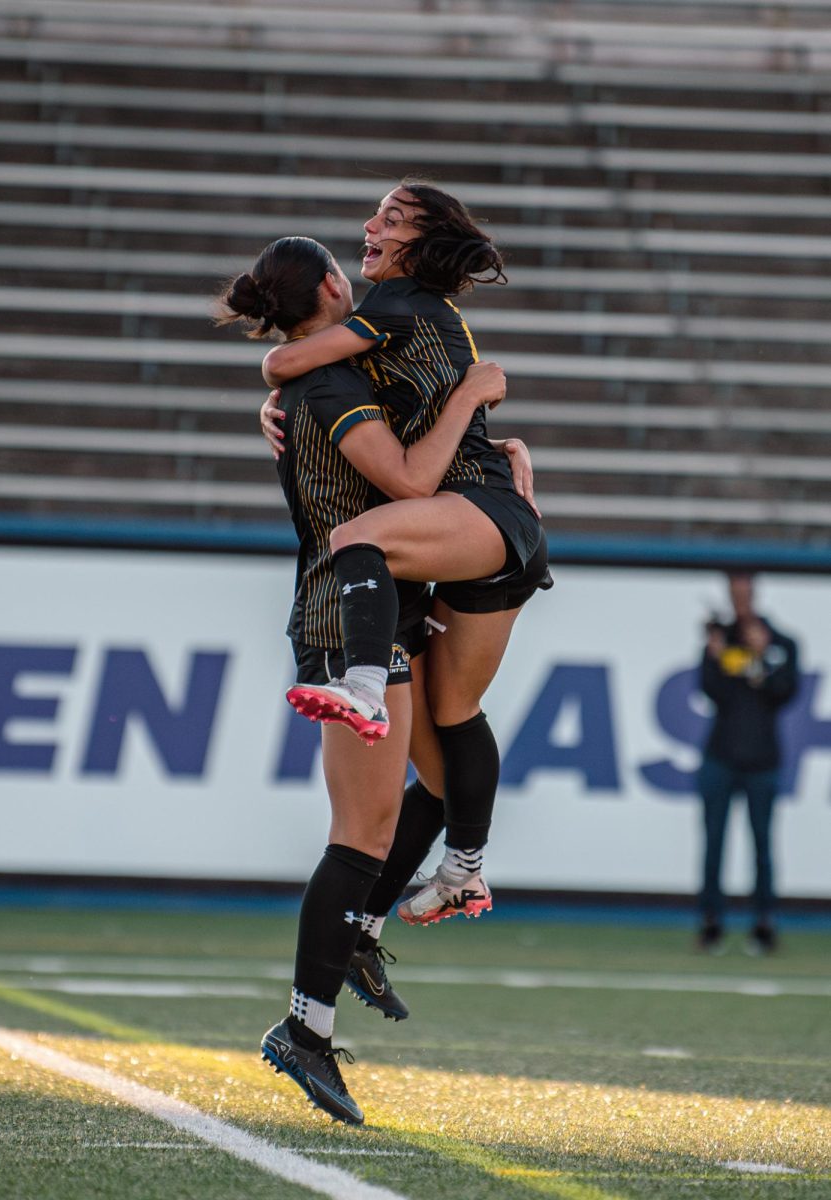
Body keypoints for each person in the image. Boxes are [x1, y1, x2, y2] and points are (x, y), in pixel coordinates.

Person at [216, 234, 523, 1124]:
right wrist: (471, 393)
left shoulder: (323, 379)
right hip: (341, 615)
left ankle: (362, 936)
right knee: (361, 833)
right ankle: (303, 1032)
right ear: (331, 288)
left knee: (427, 788)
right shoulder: (332, 384)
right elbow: (406, 481)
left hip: (384, 605)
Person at [262, 179, 552, 929]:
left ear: (422, 242)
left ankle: (361, 682)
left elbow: (282, 365)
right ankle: (466, 869)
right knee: (456, 712)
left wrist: (279, 392)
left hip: (478, 513)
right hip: (496, 522)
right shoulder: (411, 314)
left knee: (356, 539)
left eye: (390, 218)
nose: (370, 226)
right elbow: (314, 379)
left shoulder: (390, 307)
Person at [696, 571, 799, 955]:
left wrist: (761, 657)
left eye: (744, 592)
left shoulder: (782, 642)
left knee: (762, 845)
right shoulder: (721, 639)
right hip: (720, 756)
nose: (739, 600)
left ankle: (764, 924)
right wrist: (714, 654)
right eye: (733, 593)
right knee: (714, 844)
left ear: (754, 594)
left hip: (763, 760)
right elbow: (709, 691)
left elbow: (785, 692)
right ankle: (711, 923)